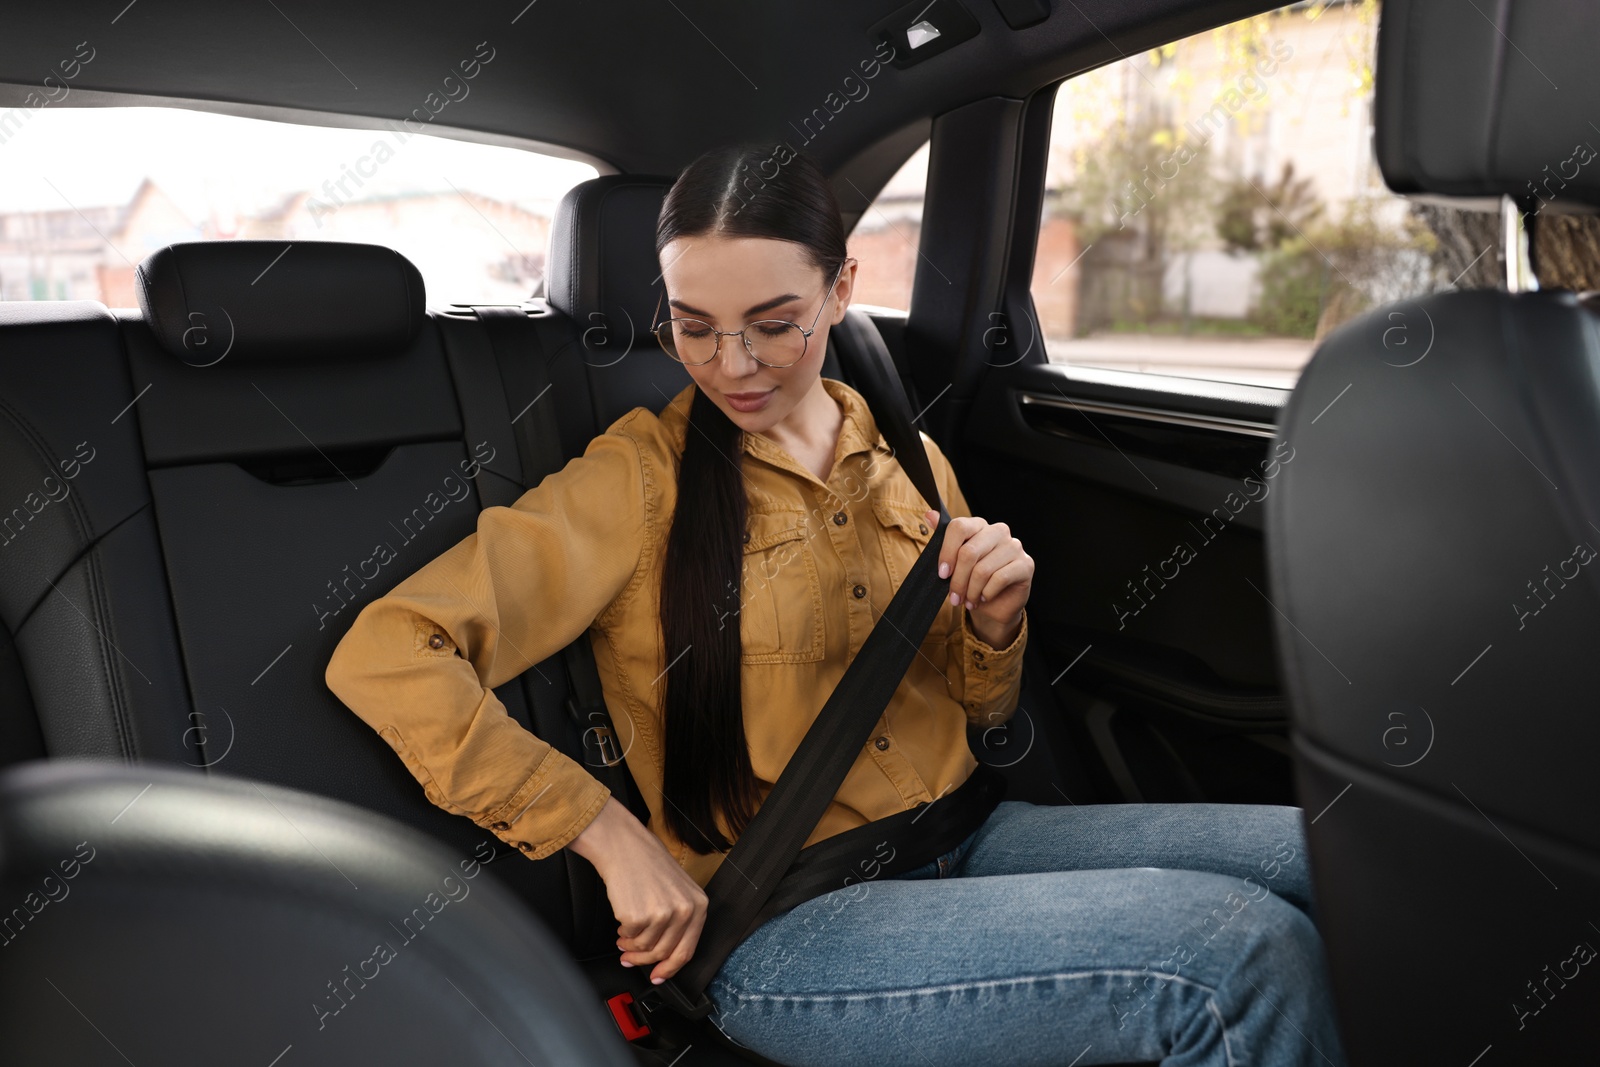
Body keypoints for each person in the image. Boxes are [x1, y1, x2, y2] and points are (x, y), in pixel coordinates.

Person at [324, 144, 1347, 1067]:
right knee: (1239, 954)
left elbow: (981, 714)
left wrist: (994, 625)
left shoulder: (905, 450)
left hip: (969, 838)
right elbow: (388, 650)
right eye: (693, 326)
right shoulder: (635, 482)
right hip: (790, 920)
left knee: (1347, 855)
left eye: (774, 325)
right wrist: (605, 832)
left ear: (843, 286)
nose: (732, 364)